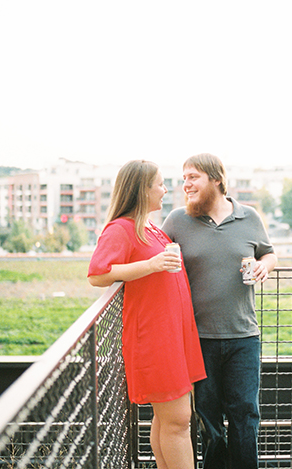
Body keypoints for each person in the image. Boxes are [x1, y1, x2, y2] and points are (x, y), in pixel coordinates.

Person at [88, 160, 206, 469]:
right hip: (155, 338)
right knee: (178, 422)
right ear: (143, 189)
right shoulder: (121, 228)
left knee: (167, 421)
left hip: (171, 335)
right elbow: (98, 274)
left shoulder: (150, 227)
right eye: (160, 184)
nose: (166, 189)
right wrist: (151, 265)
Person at [162, 153, 277, 469]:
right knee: (208, 419)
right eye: (184, 178)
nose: (186, 184)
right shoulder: (176, 221)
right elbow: (152, 253)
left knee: (245, 416)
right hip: (198, 340)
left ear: (216, 178)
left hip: (244, 337)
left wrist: (263, 266)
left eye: (193, 177)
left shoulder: (249, 217)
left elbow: (269, 253)